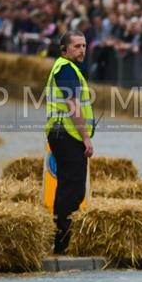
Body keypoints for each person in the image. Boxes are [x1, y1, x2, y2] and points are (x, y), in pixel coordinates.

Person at [44, 30, 95, 254]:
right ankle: (63, 242)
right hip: (67, 133)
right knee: (70, 189)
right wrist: (86, 138)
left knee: (71, 187)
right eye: (77, 46)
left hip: (63, 133)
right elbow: (73, 106)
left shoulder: (67, 67)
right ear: (64, 49)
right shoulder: (65, 69)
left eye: (84, 46)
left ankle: (63, 240)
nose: (82, 50)